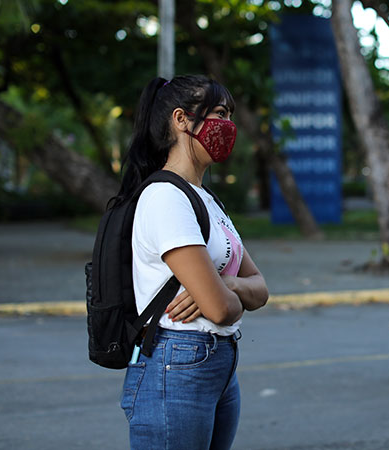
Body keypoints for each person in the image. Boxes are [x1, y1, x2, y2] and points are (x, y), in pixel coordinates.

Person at [117, 75, 269, 450]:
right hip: (178, 362)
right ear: (181, 120)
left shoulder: (207, 200)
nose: (228, 126)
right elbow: (220, 311)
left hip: (217, 363)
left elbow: (260, 288)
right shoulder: (166, 198)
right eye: (219, 113)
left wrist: (229, 284)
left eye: (230, 115)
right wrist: (226, 293)